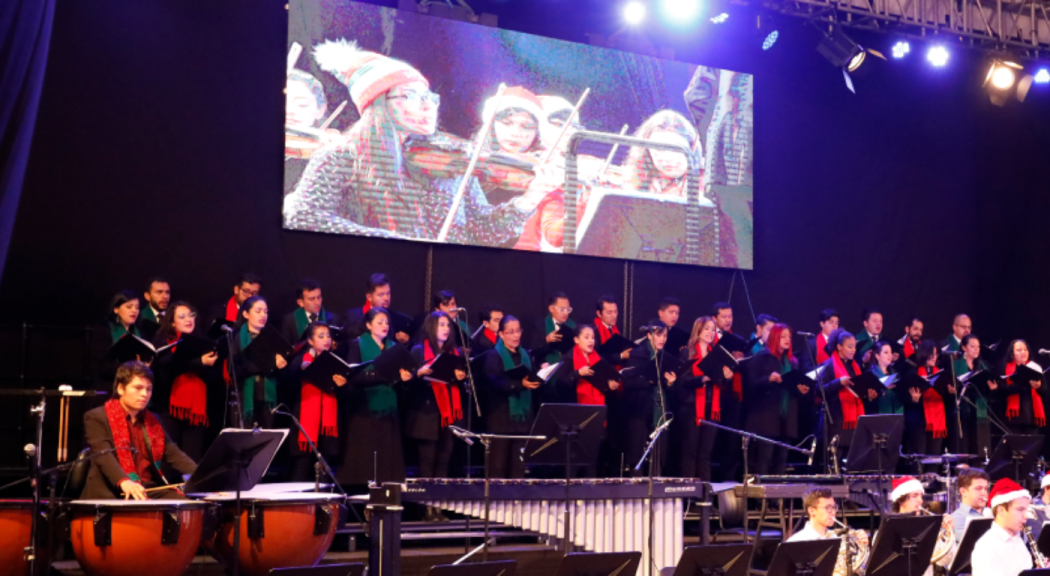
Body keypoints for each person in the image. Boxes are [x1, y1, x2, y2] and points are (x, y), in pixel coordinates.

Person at [284, 41, 545, 244]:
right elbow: (304, 217)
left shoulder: (451, 160)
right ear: (378, 104)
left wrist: (529, 199)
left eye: (430, 97)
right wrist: (398, 243)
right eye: (411, 95)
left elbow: (480, 230)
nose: (427, 105)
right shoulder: (340, 155)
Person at [82, 361, 197, 500]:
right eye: (138, 388)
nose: (144, 394)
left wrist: (203, 476)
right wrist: (125, 482)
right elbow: (103, 456)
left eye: (149, 389)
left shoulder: (153, 420)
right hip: (114, 492)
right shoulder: (96, 417)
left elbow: (174, 454)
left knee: (188, 506)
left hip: (147, 489)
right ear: (120, 389)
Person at [339, 307, 412, 487]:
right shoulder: (357, 344)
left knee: (388, 457)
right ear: (369, 325)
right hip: (364, 409)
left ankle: (386, 493)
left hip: (389, 410)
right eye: (379, 322)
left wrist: (404, 379)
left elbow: (401, 380)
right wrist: (384, 375)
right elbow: (353, 375)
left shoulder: (394, 347)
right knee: (365, 457)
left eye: (387, 322)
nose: (384, 326)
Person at [150, 301, 218, 463]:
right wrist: (199, 362)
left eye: (191, 315)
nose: (188, 319)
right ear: (172, 322)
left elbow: (212, 378)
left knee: (192, 457)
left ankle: (190, 488)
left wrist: (208, 363)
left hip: (197, 410)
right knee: (166, 455)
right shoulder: (162, 342)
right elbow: (169, 367)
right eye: (182, 317)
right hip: (168, 407)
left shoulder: (202, 342)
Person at [405, 312, 468, 488]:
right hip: (427, 414)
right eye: (441, 325)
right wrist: (418, 374)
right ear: (431, 327)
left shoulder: (455, 352)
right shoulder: (419, 350)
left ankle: (438, 506)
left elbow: (461, 387)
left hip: (449, 415)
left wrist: (460, 377)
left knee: (443, 459)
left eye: (448, 325)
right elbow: (407, 385)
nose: (446, 329)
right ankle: (426, 508)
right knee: (427, 460)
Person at [284, 322, 346, 482]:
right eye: (321, 336)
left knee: (325, 466)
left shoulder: (336, 360)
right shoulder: (301, 360)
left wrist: (342, 384)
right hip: (305, 417)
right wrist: (304, 367)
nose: (326, 339)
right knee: (302, 465)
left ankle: (323, 505)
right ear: (310, 341)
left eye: (328, 335)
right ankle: (297, 506)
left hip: (328, 421)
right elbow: (289, 379)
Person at [555, 324, 620, 477]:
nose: (591, 341)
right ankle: (570, 496)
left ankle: (589, 496)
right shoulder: (568, 358)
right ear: (576, 340)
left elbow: (605, 389)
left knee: (592, 460)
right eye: (586, 337)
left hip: (595, 415)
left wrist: (609, 387)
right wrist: (577, 373)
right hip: (575, 417)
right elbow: (559, 387)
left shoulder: (598, 360)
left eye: (593, 337)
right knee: (573, 462)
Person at [744, 323, 809, 475]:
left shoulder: (793, 362)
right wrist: (768, 379)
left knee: (781, 459)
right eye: (783, 336)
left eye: (789, 337)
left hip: (787, 418)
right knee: (764, 459)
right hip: (766, 416)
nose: (787, 340)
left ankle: (776, 498)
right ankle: (761, 498)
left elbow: (794, 388)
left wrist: (801, 390)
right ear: (775, 337)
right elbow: (750, 385)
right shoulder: (762, 358)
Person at [481, 315, 541, 478]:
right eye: (511, 332)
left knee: (518, 466)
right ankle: (495, 502)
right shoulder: (494, 355)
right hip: (500, 417)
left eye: (518, 331)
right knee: (498, 465)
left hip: (522, 419)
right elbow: (494, 382)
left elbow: (532, 377)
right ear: (501, 334)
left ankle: (517, 500)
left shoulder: (526, 354)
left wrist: (541, 375)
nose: (516, 335)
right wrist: (519, 384)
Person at [677, 316, 734, 480]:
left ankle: (705, 496)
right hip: (691, 407)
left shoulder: (716, 354)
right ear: (699, 330)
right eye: (707, 328)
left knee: (705, 454)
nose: (710, 332)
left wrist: (727, 377)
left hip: (712, 408)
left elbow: (721, 384)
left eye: (713, 329)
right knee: (690, 452)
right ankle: (688, 494)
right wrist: (702, 379)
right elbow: (681, 381)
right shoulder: (686, 352)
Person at [620, 320, 678, 477]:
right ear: (649, 335)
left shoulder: (668, 358)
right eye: (659, 335)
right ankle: (636, 495)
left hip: (661, 411)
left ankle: (656, 494)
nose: (662, 339)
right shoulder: (637, 355)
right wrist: (650, 381)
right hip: (640, 411)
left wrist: (671, 383)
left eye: (665, 335)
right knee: (638, 455)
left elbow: (672, 390)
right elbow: (627, 382)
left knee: (658, 457)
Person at [476, 86, 545, 205]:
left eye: (526, 127)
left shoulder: (543, 168)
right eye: (507, 123)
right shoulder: (473, 160)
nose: (515, 134)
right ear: (491, 125)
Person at [815, 329, 878, 456]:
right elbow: (818, 390)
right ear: (839, 347)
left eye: (854, 347)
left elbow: (858, 393)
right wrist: (839, 382)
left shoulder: (855, 367)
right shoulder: (829, 365)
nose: (853, 350)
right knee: (835, 464)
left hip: (853, 425)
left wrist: (869, 396)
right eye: (849, 347)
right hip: (836, 424)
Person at [229, 295, 288, 429]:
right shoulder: (235, 337)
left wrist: (281, 365)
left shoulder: (273, 337)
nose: (263, 315)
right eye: (258, 311)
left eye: (265, 311)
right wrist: (265, 364)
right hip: (244, 398)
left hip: (267, 399)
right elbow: (233, 370)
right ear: (246, 314)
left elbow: (282, 374)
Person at [787, 487, 869, 576]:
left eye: (834, 507)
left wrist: (863, 548)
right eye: (828, 508)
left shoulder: (839, 538)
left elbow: (860, 571)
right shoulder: (795, 542)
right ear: (811, 511)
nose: (833, 512)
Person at [623, 110, 702, 198]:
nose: (668, 158)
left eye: (676, 148)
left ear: (692, 147)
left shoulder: (704, 186)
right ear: (647, 151)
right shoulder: (644, 181)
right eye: (659, 149)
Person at [889, 476, 956, 574]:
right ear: (901, 499)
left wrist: (948, 532)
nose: (920, 500)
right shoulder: (887, 530)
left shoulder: (928, 528)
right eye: (915, 496)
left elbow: (945, 561)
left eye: (921, 496)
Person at [904, 341, 956, 463]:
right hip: (919, 420)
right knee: (920, 458)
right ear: (924, 354)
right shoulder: (912, 373)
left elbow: (945, 398)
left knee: (935, 458)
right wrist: (914, 399)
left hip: (938, 419)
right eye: (931, 354)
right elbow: (904, 397)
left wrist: (950, 392)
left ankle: (932, 481)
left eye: (936, 354)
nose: (934, 357)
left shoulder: (941, 372)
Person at [971, 478, 1034, 576]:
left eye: (1026, 510)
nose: (1026, 516)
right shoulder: (986, 546)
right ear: (1001, 511)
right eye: (1020, 509)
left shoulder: (1018, 539)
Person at [90, 290, 144, 393]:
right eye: (129, 307)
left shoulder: (139, 331)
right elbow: (101, 366)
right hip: (110, 387)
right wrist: (131, 366)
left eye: (137, 307)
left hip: (136, 387)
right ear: (116, 309)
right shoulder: (104, 329)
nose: (134, 311)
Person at [955, 334, 999, 457]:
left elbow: (987, 389)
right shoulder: (956, 365)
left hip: (979, 408)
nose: (976, 349)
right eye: (972, 346)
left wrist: (992, 388)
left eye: (978, 347)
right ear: (964, 348)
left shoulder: (983, 365)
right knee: (965, 446)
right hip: (963, 409)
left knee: (979, 446)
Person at [344, 273, 411, 344]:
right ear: (369, 297)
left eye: (388, 293)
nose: (386, 298)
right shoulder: (352, 316)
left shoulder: (397, 320)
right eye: (381, 295)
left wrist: (405, 343)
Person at [998, 339, 1046, 435]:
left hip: (1032, 417)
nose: (1023, 352)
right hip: (1013, 418)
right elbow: (1000, 390)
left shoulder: (1035, 367)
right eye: (1019, 350)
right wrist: (1023, 385)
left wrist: (1039, 387)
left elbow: (1045, 392)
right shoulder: (1005, 367)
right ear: (1012, 353)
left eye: (1025, 349)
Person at [280, 278, 336, 345]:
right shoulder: (290, 321)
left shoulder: (332, 318)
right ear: (301, 302)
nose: (317, 302)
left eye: (319, 297)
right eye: (312, 299)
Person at [532, 292, 575, 368]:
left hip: (569, 370)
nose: (565, 313)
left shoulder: (573, 326)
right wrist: (546, 341)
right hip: (549, 370)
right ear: (551, 308)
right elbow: (533, 354)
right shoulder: (539, 327)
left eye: (568, 309)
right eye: (561, 309)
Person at [952, 467, 992, 542]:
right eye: (978, 488)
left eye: (986, 488)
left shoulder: (990, 513)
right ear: (963, 492)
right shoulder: (957, 518)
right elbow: (977, 543)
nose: (984, 493)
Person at [869, 341, 903, 415]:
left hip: (897, 414)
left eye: (890, 352)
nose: (890, 355)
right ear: (877, 356)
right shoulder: (871, 374)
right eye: (886, 352)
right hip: (880, 415)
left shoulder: (895, 373)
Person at [594, 295, 631, 364]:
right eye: (609, 312)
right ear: (599, 313)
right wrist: (620, 356)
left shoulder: (617, 331)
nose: (614, 316)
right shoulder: (593, 331)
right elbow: (596, 356)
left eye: (615, 312)